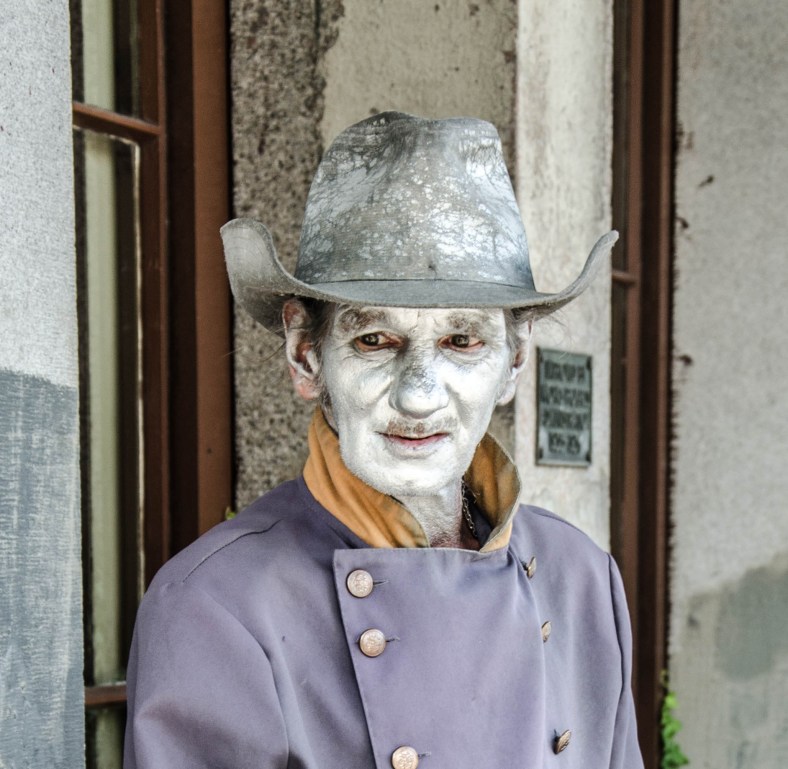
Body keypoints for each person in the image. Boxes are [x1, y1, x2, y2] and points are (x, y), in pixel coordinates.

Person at [124, 112, 643, 769]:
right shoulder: (216, 606)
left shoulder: (581, 577)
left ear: (514, 361)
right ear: (306, 355)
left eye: (462, 340)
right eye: (375, 340)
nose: (419, 396)